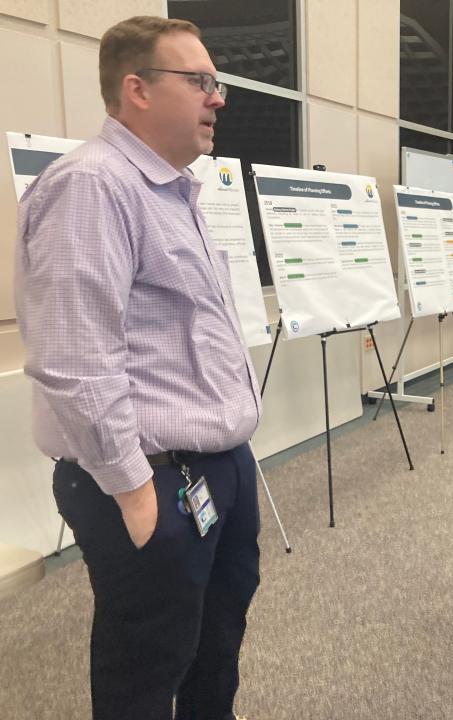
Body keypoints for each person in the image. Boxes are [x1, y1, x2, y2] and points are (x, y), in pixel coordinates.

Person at [15, 16, 261, 720]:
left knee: (214, 645)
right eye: (201, 82)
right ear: (137, 90)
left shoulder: (173, 191)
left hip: (214, 467)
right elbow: (74, 359)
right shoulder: (94, 187)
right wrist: (133, 492)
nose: (219, 98)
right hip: (150, 478)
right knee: (147, 669)